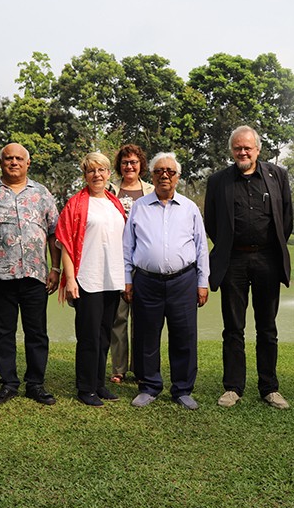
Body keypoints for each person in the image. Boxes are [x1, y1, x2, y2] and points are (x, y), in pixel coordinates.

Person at [204, 125, 293, 409]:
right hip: (234, 261)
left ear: (258, 149)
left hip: (267, 259)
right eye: (237, 148)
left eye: (247, 148)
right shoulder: (219, 181)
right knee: (233, 328)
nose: (242, 152)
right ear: (232, 151)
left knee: (267, 327)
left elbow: (286, 217)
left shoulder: (277, 175)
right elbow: (212, 222)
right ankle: (233, 387)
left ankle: (269, 387)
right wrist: (230, 245)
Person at [0, 143, 61, 406]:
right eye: (8, 158)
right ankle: (8, 383)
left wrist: (55, 269)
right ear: (1, 162)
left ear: (27, 163)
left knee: (37, 333)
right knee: (3, 333)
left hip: (35, 275)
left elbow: (54, 233)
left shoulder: (41, 193)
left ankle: (36, 384)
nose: (13, 162)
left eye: (19, 158)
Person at [123, 152, 210, 410]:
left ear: (177, 177)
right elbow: (128, 246)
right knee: (146, 336)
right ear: (151, 175)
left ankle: (182, 389)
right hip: (146, 282)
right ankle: (149, 386)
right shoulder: (139, 206)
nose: (164, 175)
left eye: (170, 171)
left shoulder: (190, 208)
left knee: (184, 336)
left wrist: (202, 282)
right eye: (159, 171)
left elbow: (201, 247)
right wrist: (128, 279)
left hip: (183, 281)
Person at [55, 152, 127, 407]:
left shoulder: (114, 203)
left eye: (102, 170)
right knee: (88, 336)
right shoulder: (75, 204)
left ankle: (99, 383)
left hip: (112, 278)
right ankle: (85, 387)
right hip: (87, 278)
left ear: (109, 174)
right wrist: (70, 279)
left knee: (105, 334)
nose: (97, 175)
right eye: (91, 171)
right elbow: (64, 243)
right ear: (85, 175)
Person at [107, 144, 154, 384]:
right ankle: (119, 368)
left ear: (141, 165)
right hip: (116, 259)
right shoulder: (110, 190)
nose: (129, 166)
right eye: (125, 162)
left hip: (144, 260)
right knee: (119, 317)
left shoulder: (151, 190)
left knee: (144, 317)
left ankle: (141, 368)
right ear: (119, 166)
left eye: (134, 162)